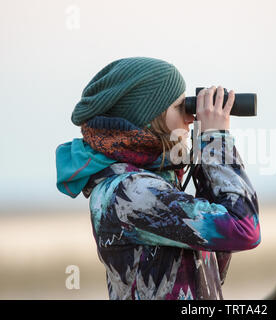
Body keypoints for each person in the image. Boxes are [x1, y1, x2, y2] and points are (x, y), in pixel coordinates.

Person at [55, 57, 260, 300]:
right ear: (147, 117)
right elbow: (245, 229)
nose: (191, 117)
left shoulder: (151, 181)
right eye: (179, 107)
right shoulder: (131, 192)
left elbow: (213, 262)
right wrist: (217, 140)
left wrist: (203, 156)